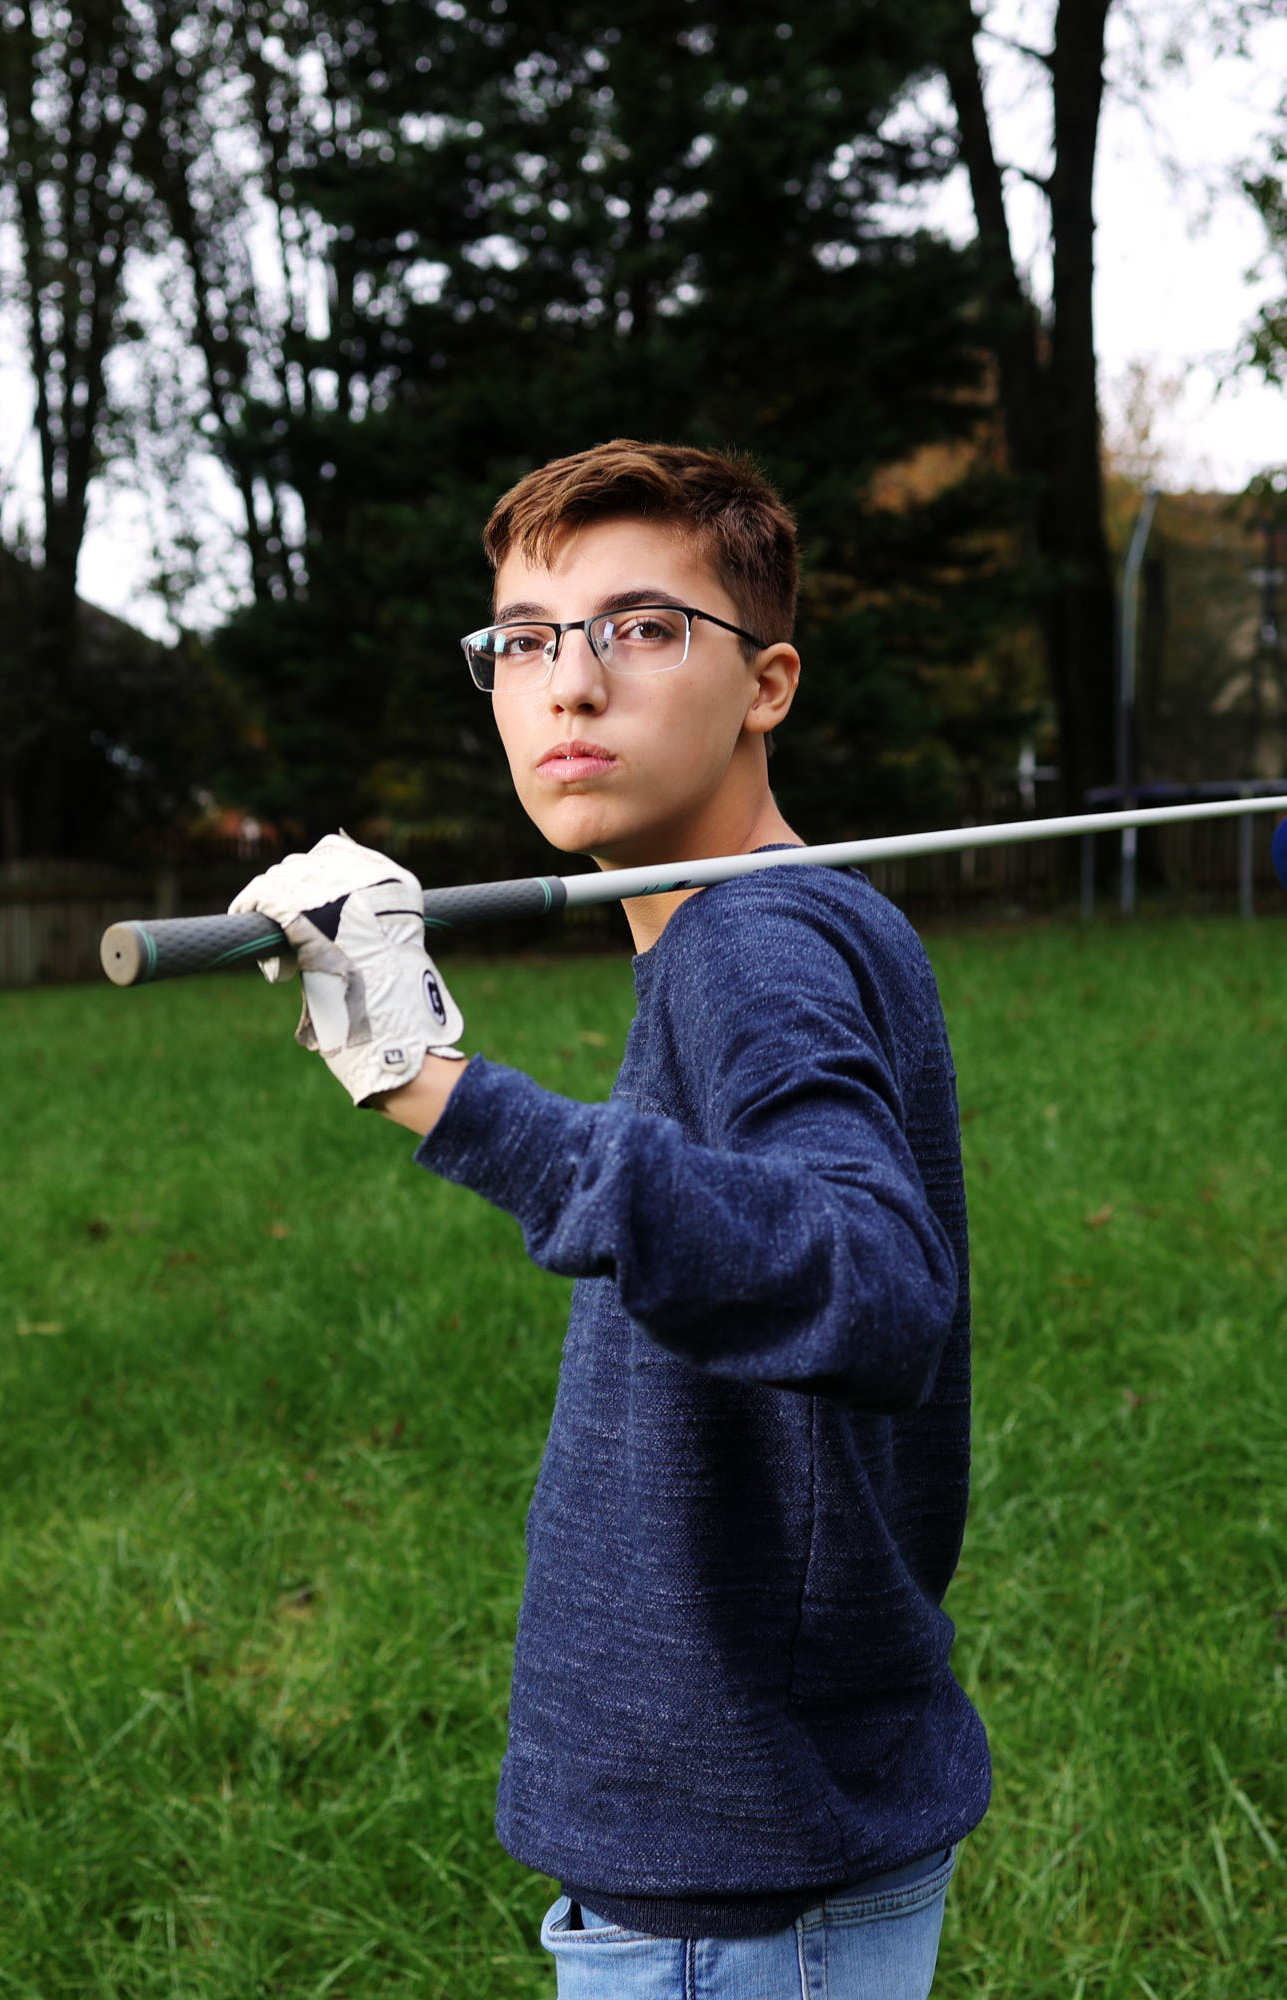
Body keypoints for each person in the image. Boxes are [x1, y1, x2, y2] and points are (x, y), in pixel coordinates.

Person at [230, 440, 985, 2000]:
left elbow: (874, 1282)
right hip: (800, 1803)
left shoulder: (750, 947)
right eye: (525, 639)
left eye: (640, 627)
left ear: (767, 683)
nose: (569, 686)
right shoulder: (795, 918)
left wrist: (430, 1084)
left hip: (733, 1854)